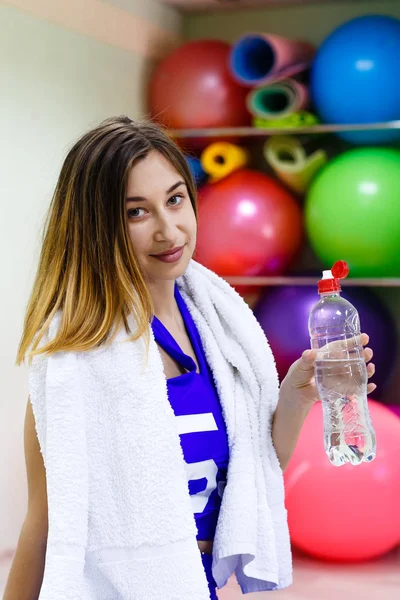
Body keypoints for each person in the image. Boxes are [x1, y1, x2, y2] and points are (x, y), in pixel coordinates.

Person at [4, 117, 376, 600]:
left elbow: (252, 469)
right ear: (97, 227)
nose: (168, 230)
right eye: (137, 212)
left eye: (175, 200)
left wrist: (296, 396)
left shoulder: (218, 329)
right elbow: (46, 524)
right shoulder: (75, 361)